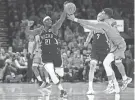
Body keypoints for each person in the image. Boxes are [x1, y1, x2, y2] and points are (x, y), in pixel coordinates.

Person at [67, 8, 132, 93]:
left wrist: (77, 20)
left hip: (113, 46)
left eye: (102, 13)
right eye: (99, 14)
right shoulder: (102, 24)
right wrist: (86, 40)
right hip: (105, 47)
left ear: (105, 15)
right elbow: (91, 29)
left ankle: (117, 82)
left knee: (115, 63)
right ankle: (110, 84)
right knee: (103, 64)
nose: (100, 14)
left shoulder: (105, 23)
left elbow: (91, 25)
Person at [24, 3, 67, 97]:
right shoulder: (40, 30)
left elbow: (62, 19)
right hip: (45, 55)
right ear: (44, 22)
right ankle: (62, 90)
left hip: (56, 54)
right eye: (48, 20)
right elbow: (28, 32)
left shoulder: (55, 28)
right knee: (51, 73)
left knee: (60, 73)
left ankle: (59, 77)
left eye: (50, 19)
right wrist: (28, 25)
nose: (50, 21)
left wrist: (65, 9)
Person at [83, 12, 110, 94]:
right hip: (95, 49)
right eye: (98, 16)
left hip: (104, 49)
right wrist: (87, 42)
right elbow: (90, 34)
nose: (98, 17)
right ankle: (90, 88)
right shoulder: (94, 26)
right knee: (92, 65)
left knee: (108, 66)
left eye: (100, 16)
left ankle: (112, 85)